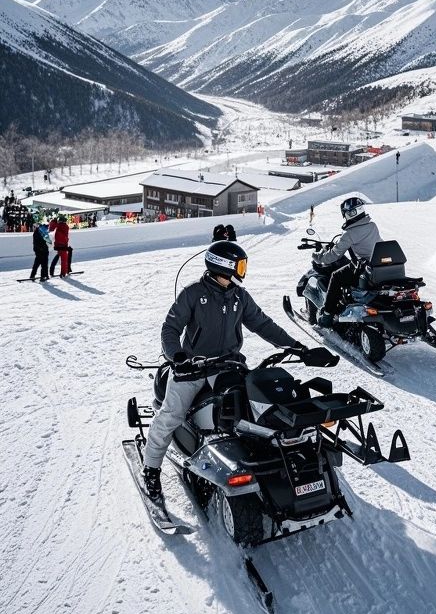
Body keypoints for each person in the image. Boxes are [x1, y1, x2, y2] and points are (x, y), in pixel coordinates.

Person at [141, 239, 306, 498]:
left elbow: (263, 324)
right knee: (171, 415)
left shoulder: (240, 296)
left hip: (229, 365)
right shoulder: (193, 293)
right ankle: (150, 469)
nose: (243, 269)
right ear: (224, 266)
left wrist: (295, 346)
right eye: (240, 265)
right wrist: (178, 358)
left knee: (253, 408)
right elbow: (170, 328)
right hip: (192, 368)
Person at [312, 197, 382, 328]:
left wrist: (318, 257)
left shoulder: (350, 233)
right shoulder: (372, 225)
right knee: (347, 268)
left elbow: (333, 255)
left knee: (336, 276)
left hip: (364, 268)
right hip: (379, 266)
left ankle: (327, 316)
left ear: (348, 214)